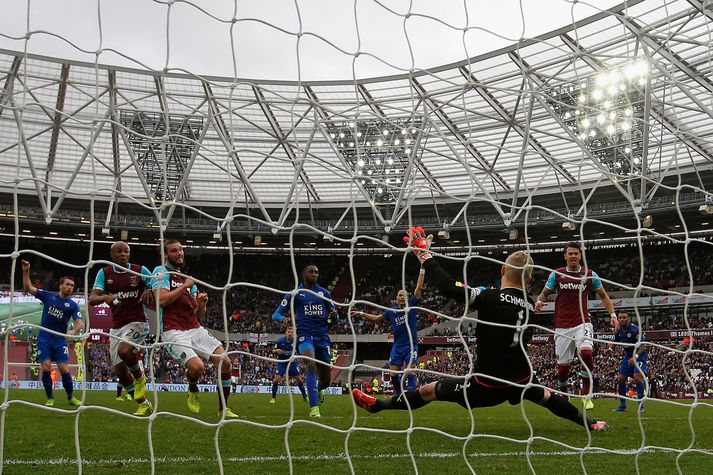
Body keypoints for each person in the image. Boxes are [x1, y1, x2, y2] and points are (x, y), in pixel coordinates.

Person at [352, 227, 609, 433]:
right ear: (529, 279)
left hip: (484, 385)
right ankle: (591, 423)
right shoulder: (530, 307)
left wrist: (425, 256)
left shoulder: (489, 297)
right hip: (519, 380)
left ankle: (378, 405)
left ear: (502, 270)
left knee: (429, 390)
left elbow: (449, 287)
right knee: (547, 396)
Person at [153, 239, 237, 418]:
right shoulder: (161, 272)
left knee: (226, 362)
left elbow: (197, 314)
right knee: (197, 368)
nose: (179, 253)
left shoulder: (187, 280)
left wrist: (201, 304)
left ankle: (224, 409)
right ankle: (192, 388)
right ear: (166, 255)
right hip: (173, 330)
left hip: (194, 328)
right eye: (174, 251)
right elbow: (161, 300)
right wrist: (184, 286)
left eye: (181, 250)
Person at [534, 242, 618, 410]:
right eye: (570, 253)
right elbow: (544, 293)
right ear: (565, 256)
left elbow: (604, 296)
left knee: (586, 354)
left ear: (580, 256)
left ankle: (586, 395)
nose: (573, 256)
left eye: (576, 254)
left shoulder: (589, 274)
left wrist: (613, 315)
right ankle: (565, 394)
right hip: (562, 327)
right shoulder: (557, 274)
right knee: (563, 369)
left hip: (582, 322)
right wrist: (539, 301)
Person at [89, 241, 154, 416]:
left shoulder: (140, 271)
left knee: (125, 350)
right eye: (119, 251)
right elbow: (92, 298)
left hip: (138, 322)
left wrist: (150, 290)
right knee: (119, 370)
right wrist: (105, 297)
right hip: (117, 327)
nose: (123, 254)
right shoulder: (104, 273)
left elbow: (156, 285)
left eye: (126, 251)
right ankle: (144, 404)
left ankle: (140, 378)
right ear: (112, 255)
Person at [272, 263, 337, 418]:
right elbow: (276, 315)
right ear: (303, 274)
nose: (315, 274)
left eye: (317, 272)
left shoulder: (324, 293)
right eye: (311, 272)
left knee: (326, 380)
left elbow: (334, 317)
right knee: (310, 363)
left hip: (322, 337)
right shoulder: (296, 294)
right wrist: (284, 319)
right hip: (304, 335)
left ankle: (320, 389)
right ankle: (314, 408)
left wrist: (334, 317)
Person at [351, 268, 425, 395]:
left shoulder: (411, 306)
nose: (402, 297)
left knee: (410, 371)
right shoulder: (391, 311)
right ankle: (398, 395)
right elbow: (376, 319)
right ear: (396, 298)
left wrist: (422, 270)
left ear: (408, 298)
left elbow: (418, 288)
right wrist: (361, 313)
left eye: (404, 295)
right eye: (400, 295)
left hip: (411, 346)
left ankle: (412, 396)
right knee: (393, 374)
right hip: (397, 346)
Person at [21, 260, 82, 407]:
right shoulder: (48, 296)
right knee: (47, 367)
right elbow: (28, 288)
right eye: (67, 284)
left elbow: (79, 321)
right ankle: (50, 398)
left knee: (64, 368)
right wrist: (26, 271)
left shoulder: (73, 305)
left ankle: (70, 397)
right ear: (60, 285)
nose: (69, 287)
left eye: (72, 285)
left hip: (60, 339)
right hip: (44, 337)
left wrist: (73, 331)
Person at [611, 312, 648, 413]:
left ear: (629, 319)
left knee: (637, 378)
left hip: (640, 356)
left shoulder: (635, 329)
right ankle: (623, 406)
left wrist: (635, 357)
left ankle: (640, 405)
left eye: (624, 317)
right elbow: (614, 344)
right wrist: (610, 349)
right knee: (621, 379)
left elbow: (643, 346)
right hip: (627, 357)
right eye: (620, 318)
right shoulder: (618, 331)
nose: (622, 319)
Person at [269, 326, 307, 403]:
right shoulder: (280, 341)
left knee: (299, 380)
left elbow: (300, 349)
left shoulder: (295, 341)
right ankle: (273, 398)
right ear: (285, 333)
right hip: (282, 363)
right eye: (288, 332)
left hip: (292, 363)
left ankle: (305, 397)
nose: (290, 334)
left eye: (291, 332)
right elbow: (272, 350)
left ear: (293, 334)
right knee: (276, 379)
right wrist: (276, 351)